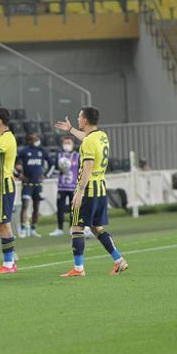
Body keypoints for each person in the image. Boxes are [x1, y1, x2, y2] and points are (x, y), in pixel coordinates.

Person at [55, 107, 129, 277]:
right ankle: (119, 260)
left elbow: (87, 166)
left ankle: (78, 269)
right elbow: (87, 139)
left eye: (79, 117)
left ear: (85, 120)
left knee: (76, 227)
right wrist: (71, 129)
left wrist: (79, 192)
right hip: (100, 188)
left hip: (88, 189)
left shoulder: (89, 141)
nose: (78, 118)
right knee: (96, 227)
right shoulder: (101, 136)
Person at [0, 107, 18, 274]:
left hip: (3, 186)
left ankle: (9, 263)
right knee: (1, 222)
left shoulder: (6, 138)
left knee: (3, 222)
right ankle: (10, 260)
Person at [16, 132, 53, 238]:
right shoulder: (24, 151)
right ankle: (23, 229)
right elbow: (14, 164)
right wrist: (19, 175)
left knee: (36, 207)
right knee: (25, 205)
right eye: (34, 138)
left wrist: (46, 175)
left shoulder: (42, 151)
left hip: (37, 184)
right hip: (27, 184)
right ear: (30, 140)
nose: (37, 140)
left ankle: (33, 229)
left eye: (37, 138)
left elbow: (52, 164)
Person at [50, 136, 78, 237]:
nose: (67, 145)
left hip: (73, 187)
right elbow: (54, 169)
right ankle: (60, 228)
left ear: (73, 144)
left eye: (69, 143)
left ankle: (72, 227)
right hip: (62, 186)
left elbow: (80, 170)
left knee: (73, 208)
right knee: (60, 208)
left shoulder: (77, 155)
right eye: (65, 143)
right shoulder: (60, 155)